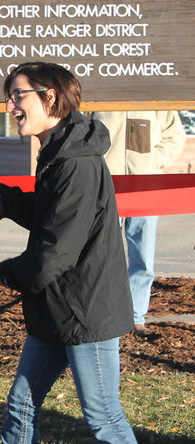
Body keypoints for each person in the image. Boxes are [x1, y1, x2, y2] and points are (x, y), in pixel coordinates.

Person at [0, 62, 162, 444]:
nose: (10, 107)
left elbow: (57, 250)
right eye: (8, 97)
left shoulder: (75, 159)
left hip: (83, 311)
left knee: (103, 416)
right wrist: (6, 200)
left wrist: (2, 273)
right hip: (56, 304)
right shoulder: (61, 150)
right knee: (22, 403)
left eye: (17, 96)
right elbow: (54, 218)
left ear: (49, 97)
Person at [89, 111, 185, 338]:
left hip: (146, 189)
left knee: (142, 259)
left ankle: (135, 318)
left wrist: (154, 160)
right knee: (101, 257)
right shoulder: (102, 99)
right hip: (106, 188)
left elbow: (175, 136)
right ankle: (104, 317)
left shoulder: (155, 101)